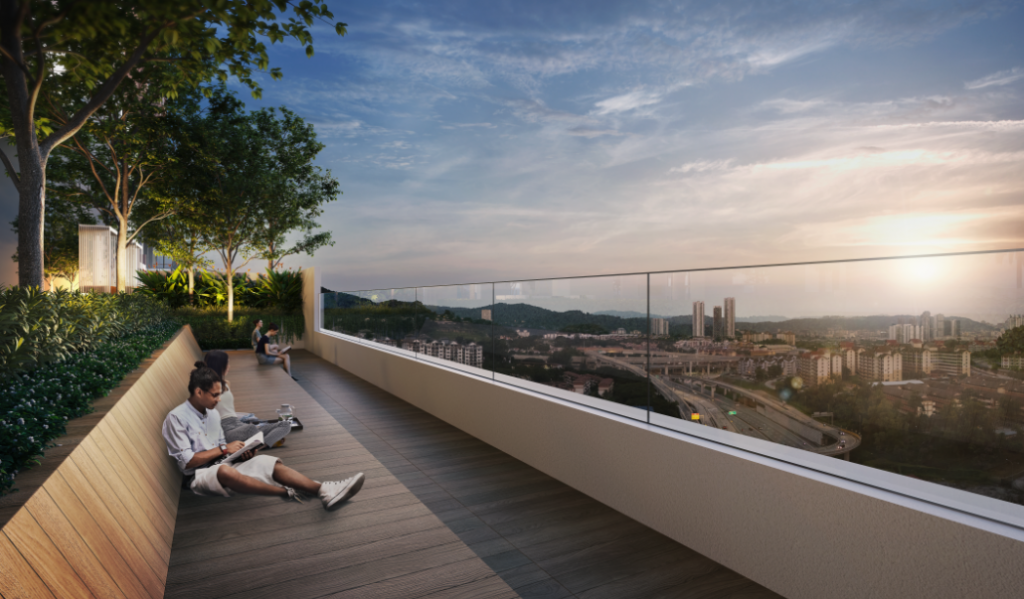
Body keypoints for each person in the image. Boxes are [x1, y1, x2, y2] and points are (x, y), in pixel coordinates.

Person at [162, 362, 364, 508]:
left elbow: (222, 447)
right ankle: (286, 492)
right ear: (199, 392)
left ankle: (324, 490)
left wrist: (239, 455)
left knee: (268, 461)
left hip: (222, 462)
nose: (218, 400)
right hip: (197, 476)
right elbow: (187, 462)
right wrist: (224, 449)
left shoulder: (213, 414)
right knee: (224, 472)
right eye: (215, 395)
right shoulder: (177, 418)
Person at [204, 350, 292, 446]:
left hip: (238, 424)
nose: (229, 366)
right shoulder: (205, 389)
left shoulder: (226, 384)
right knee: (251, 429)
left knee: (285, 425)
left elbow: (228, 409)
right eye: (227, 363)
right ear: (219, 365)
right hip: (225, 429)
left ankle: (262, 444)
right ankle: (266, 441)